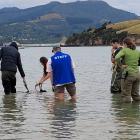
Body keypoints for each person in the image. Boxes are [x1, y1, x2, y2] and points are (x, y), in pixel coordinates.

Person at [115, 37, 140, 103]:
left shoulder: (125, 50)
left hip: (128, 74)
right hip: (137, 75)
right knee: (136, 95)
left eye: (123, 44)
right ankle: (136, 111)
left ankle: (127, 112)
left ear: (125, 44)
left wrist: (121, 65)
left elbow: (117, 57)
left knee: (126, 95)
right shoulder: (137, 51)